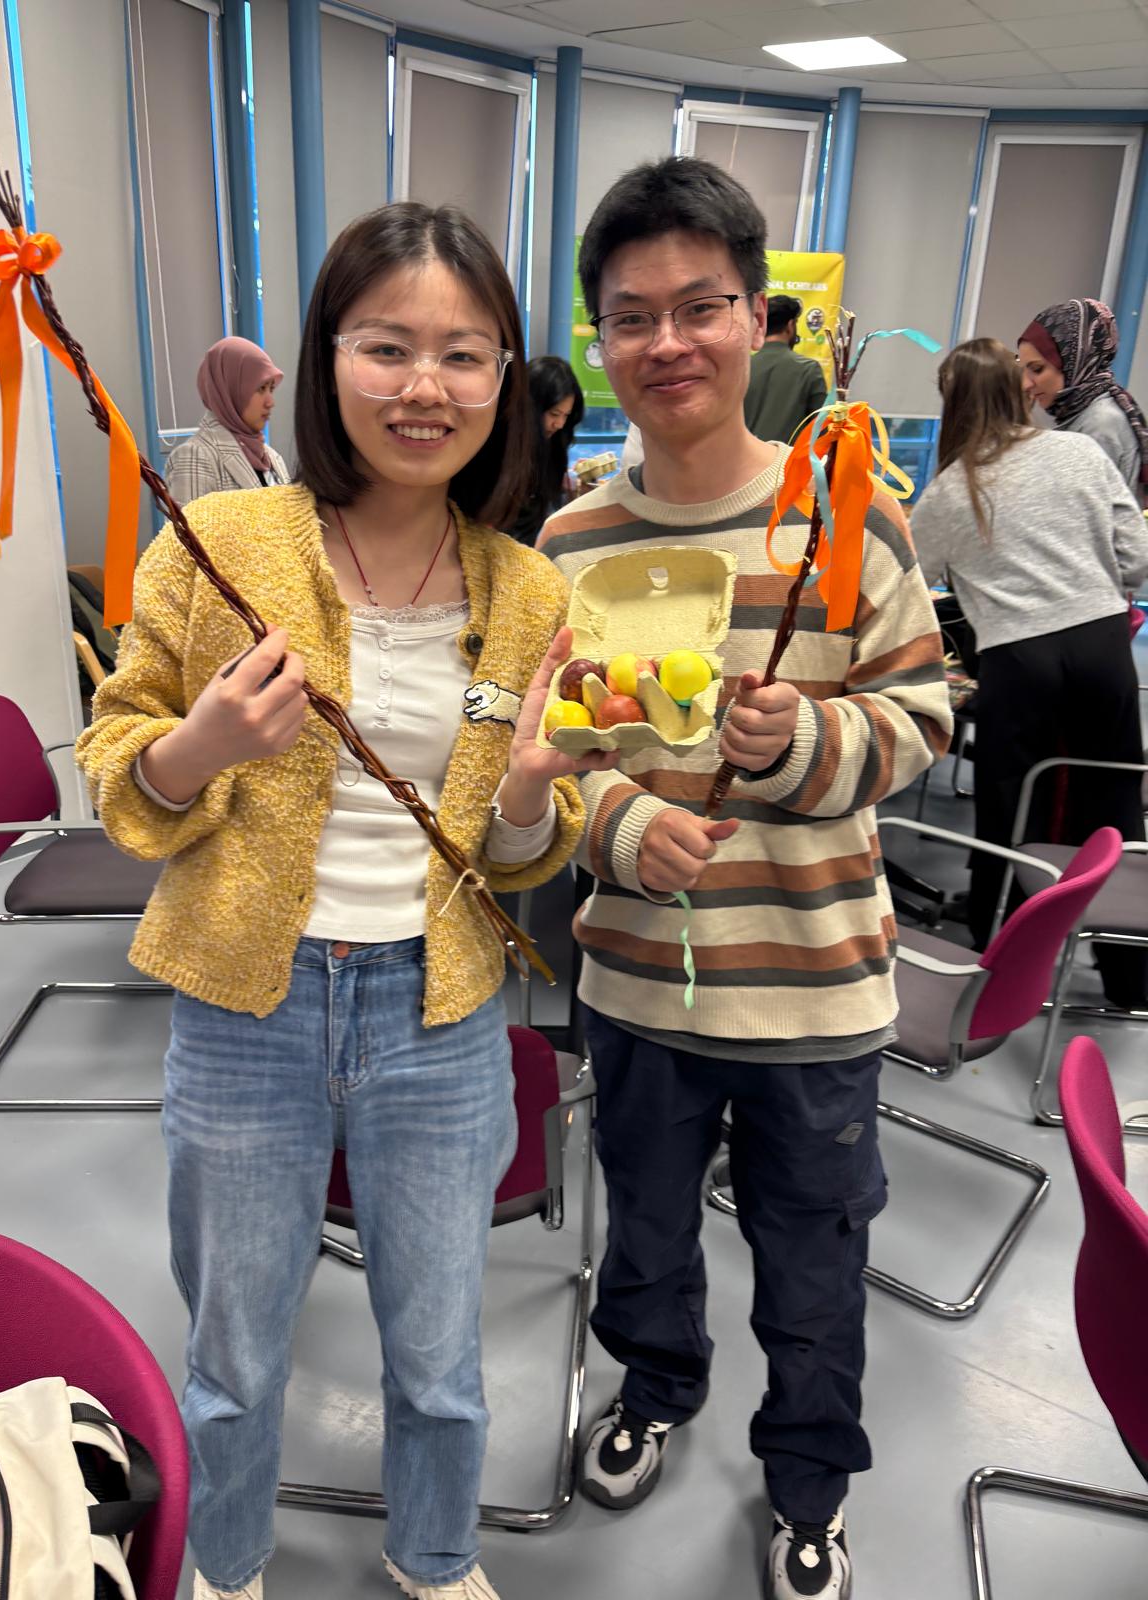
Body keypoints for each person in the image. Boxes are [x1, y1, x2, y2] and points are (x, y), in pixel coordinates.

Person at [77, 201, 618, 1600]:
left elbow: (520, 855)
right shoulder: (221, 544)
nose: (424, 386)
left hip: (440, 1018)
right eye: (387, 346)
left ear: (504, 382)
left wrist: (527, 794)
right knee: (234, 1350)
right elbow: (120, 764)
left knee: (438, 1349)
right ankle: (227, 1563)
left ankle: (436, 1557)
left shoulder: (526, 589)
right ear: (327, 359)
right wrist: (201, 746)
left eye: (464, 353)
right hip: (244, 1008)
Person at [538, 157, 952, 1600]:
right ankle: (656, 1388)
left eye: (700, 306)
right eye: (631, 316)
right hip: (639, 990)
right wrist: (612, 826)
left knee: (816, 1260)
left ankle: (809, 1481)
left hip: (815, 992)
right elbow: (548, 754)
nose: (668, 343)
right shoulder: (573, 542)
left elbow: (924, 714)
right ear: (599, 336)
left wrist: (812, 743)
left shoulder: (845, 514)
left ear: (757, 317)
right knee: (645, 1233)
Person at [911, 338, 1148, 1000]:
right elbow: (1137, 558)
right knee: (1114, 803)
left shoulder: (952, 490)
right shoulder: (1080, 453)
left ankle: (1002, 953)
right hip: (1102, 645)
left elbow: (906, 584)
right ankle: (1131, 976)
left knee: (1012, 810)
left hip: (1019, 658)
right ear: (1018, 391)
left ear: (954, 403)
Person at [1017, 299, 1148, 503]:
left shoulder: (1100, 425)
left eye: (1037, 369)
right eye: (1023, 369)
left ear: (1073, 362)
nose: (1026, 384)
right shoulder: (1082, 413)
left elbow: (1077, 514)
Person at [164, 335, 291, 502]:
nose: (270, 402)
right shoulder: (195, 457)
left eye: (271, 389)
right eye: (261, 389)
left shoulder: (271, 457)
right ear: (231, 389)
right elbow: (190, 520)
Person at [505, 354, 585, 545]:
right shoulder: (502, 447)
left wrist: (569, 487)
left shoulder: (553, 443)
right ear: (530, 406)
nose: (559, 424)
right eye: (554, 414)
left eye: (566, 415)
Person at [742, 292, 829, 444]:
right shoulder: (808, 370)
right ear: (790, 325)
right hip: (789, 458)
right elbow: (822, 429)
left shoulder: (743, 367)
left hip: (744, 458)